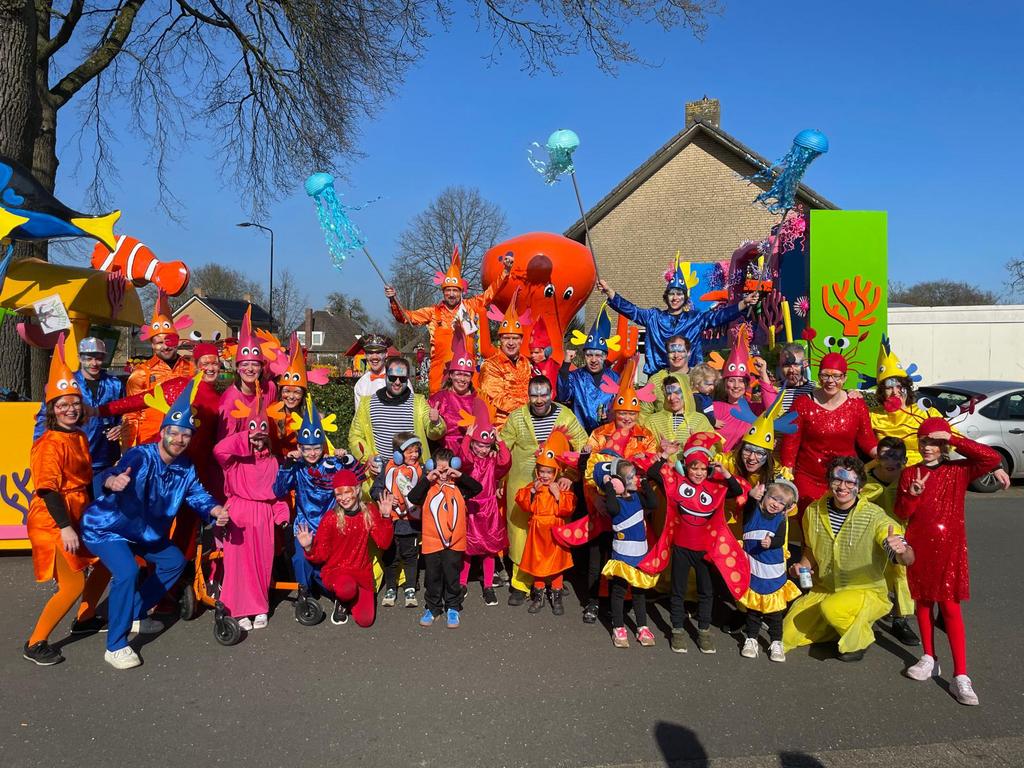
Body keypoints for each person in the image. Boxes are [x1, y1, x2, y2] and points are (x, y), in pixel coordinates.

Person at [81, 375, 229, 669]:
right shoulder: (141, 455)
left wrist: (214, 509)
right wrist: (114, 479)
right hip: (108, 527)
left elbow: (197, 494)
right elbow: (118, 471)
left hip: (144, 532)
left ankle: (135, 612)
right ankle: (116, 645)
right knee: (126, 573)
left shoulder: (186, 466)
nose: (179, 439)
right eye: (173, 432)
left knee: (174, 560)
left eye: (185, 434)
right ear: (163, 432)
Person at [896, 417, 1005, 706]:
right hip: (918, 545)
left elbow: (991, 457)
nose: (928, 446)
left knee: (950, 606)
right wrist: (912, 495)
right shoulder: (910, 473)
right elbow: (902, 511)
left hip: (950, 548)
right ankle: (929, 657)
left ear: (943, 444)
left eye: (934, 441)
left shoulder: (958, 469)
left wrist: (954, 439)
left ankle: (961, 676)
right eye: (924, 440)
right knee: (922, 602)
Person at [23, 336, 111, 666]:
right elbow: (47, 489)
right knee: (72, 584)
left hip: (77, 512)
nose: (70, 408)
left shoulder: (76, 435)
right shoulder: (49, 442)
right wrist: (65, 528)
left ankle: (85, 620)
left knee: (104, 562)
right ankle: (36, 642)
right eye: (63, 404)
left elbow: (83, 482)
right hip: (52, 518)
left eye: (74, 402)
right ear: (52, 409)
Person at [782, 456, 914, 662]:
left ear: (860, 487)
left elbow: (906, 559)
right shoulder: (813, 511)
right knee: (787, 635)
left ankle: (860, 639)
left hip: (864, 591)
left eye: (850, 482)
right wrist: (801, 566)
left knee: (833, 609)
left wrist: (901, 549)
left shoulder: (875, 516)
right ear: (829, 482)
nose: (842, 487)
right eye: (837, 480)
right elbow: (810, 550)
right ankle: (842, 625)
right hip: (825, 589)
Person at [640, 433, 747, 655]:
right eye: (693, 468)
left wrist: (725, 473)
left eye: (702, 469)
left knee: (706, 593)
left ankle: (704, 630)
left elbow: (736, 491)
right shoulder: (676, 483)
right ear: (686, 468)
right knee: (677, 591)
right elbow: (652, 473)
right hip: (681, 548)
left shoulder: (715, 487)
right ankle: (678, 630)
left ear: (708, 469)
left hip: (705, 552)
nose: (698, 473)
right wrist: (664, 455)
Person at [578, 361, 658, 624]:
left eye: (631, 413)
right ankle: (592, 601)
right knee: (598, 554)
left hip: (632, 511)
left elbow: (648, 468)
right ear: (614, 410)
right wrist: (596, 498)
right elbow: (589, 470)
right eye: (622, 411)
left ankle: (627, 601)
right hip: (605, 506)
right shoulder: (600, 434)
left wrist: (643, 498)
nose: (626, 417)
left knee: (630, 557)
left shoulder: (645, 436)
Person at [500, 376, 588, 605]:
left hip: (555, 487)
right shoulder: (518, 417)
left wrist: (569, 476)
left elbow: (583, 446)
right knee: (520, 533)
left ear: (551, 394)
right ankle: (521, 582)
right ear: (528, 395)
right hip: (522, 483)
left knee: (552, 535)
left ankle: (551, 579)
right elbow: (503, 450)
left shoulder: (566, 417)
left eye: (543, 394)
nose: (539, 400)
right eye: (534, 395)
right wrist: (497, 479)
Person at [597, 255, 759, 374]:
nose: (675, 298)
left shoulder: (695, 319)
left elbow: (719, 317)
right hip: (659, 376)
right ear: (666, 297)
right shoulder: (654, 317)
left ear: (685, 298)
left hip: (689, 377)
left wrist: (744, 303)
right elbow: (631, 310)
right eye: (672, 294)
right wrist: (610, 292)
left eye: (679, 294)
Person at [214, 389, 290, 630]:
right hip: (238, 513)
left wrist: (282, 515)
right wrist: (245, 437)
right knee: (238, 564)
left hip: (263, 517)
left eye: (261, 437)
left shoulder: (273, 462)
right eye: (254, 437)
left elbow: (278, 495)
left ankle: (259, 607)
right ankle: (238, 609)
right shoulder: (236, 460)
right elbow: (219, 450)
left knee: (261, 563)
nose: (258, 442)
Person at [386, 248, 512, 392]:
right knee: (438, 410)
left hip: (466, 374)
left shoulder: (470, 306)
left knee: (468, 411)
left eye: (455, 290)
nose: (451, 294)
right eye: (448, 290)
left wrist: (505, 271)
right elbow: (405, 317)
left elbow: (491, 293)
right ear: (443, 292)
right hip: (440, 375)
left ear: (460, 292)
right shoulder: (433, 312)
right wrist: (393, 300)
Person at [779, 353, 878, 518]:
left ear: (845, 378)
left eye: (836, 376)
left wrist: (884, 456)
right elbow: (790, 444)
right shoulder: (802, 403)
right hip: (808, 478)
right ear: (819, 376)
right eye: (825, 375)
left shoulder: (856, 404)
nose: (830, 381)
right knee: (810, 528)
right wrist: (786, 477)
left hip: (845, 480)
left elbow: (866, 439)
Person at [273, 401, 350, 602]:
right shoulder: (297, 467)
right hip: (304, 525)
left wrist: (344, 459)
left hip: (329, 525)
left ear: (322, 446)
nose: (312, 453)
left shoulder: (331, 465)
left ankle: (327, 588)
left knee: (328, 566)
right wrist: (287, 465)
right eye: (307, 449)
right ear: (299, 447)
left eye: (316, 448)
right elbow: (279, 490)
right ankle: (304, 592)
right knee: (300, 559)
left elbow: (351, 482)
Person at [296, 472, 395, 627]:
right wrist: (308, 547)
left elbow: (384, 543)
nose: (343, 498)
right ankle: (341, 601)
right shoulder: (331, 518)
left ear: (356, 490)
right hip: (338, 572)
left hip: (362, 572)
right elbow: (321, 555)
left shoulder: (369, 511)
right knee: (346, 588)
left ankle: (352, 598)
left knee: (365, 621)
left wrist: (386, 516)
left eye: (347, 492)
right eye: (338, 494)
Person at [33, 337, 123, 498]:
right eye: (89, 358)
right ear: (80, 358)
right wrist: (40, 448)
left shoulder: (115, 384)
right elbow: (44, 417)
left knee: (100, 512)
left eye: (98, 358)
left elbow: (125, 415)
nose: (94, 363)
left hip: (105, 460)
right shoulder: (67, 382)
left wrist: (121, 427)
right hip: (73, 460)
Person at [406, 448, 483, 628]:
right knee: (432, 576)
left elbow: (477, 488)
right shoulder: (427, 488)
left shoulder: (459, 487)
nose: (443, 474)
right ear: (432, 467)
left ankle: (453, 607)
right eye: (439, 469)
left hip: (454, 542)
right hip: (432, 542)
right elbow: (412, 496)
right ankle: (433, 608)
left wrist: (459, 475)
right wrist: (428, 478)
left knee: (452, 576)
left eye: (446, 469)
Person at [595, 459, 659, 648]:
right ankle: (618, 627)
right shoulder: (615, 501)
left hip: (640, 555)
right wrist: (609, 486)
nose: (635, 479)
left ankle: (642, 627)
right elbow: (613, 509)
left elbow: (653, 504)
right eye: (630, 476)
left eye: (635, 475)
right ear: (618, 481)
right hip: (622, 556)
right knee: (619, 592)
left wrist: (645, 481)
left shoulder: (638, 497)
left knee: (639, 593)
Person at [861, 437, 919, 646]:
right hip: (868, 536)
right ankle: (870, 614)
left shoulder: (909, 478)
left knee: (901, 575)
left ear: (904, 459)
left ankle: (900, 618)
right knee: (872, 575)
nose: (890, 460)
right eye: (885, 454)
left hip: (899, 534)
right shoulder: (864, 479)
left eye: (895, 455)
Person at [349, 355, 446, 480]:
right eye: (393, 377)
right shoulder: (366, 404)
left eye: (402, 378)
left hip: (413, 474)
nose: (397, 382)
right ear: (385, 377)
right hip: (380, 475)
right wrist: (367, 457)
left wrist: (436, 422)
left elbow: (434, 434)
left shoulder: (418, 402)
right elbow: (355, 436)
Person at [737, 480, 801, 662]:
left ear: (786, 508)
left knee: (775, 613)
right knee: (754, 610)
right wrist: (751, 496)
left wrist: (770, 543)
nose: (776, 504)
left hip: (773, 572)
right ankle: (751, 639)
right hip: (755, 570)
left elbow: (780, 539)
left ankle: (776, 642)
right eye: (773, 498)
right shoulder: (752, 513)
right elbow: (749, 506)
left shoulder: (781, 519)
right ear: (764, 497)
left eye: (781, 503)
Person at [122, 291, 195, 447]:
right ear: (152, 345)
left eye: (168, 340)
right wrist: (129, 449)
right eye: (159, 342)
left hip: (182, 442)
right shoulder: (141, 373)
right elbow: (131, 413)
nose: (165, 346)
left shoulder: (191, 369)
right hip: (150, 442)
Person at [456, 402, 512, 605]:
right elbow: (463, 459)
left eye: (486, 445)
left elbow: (505, 462)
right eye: (478, 444)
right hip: (471, 509)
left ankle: (488, 585)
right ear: (472, 444)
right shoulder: (470, 462)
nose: (482, 449)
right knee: (467, 549)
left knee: (489, 549)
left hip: (489, 511)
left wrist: (500, 441)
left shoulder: (492, 462)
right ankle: (462, 583)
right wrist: (467, 437)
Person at [516, 428, 576, 616]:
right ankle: (539, 595)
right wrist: (532, 492)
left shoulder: (561, 488)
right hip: (537, 533)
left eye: (549, 472)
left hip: (555, 533)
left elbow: (569, 507)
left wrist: (559, 495)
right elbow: (522, 501)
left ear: (556, 472)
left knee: (557, 565)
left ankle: (556, 595)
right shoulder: (534, 487)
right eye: (542, 471)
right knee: (538, 565)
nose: (545, 476)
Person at [370, 433, 424, 608]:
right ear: (398, 454)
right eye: (410, 452)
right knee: (391, 558)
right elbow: (374, 490)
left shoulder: (420, 470)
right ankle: (391, 588)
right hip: (391, 522)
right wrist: (385, 496)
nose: (414, 455)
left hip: (411, 522)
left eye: (416, 451)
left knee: (410, 558)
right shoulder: (387, 468)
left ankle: (409, 587)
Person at [711, 327, 777, 451]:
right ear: (725, 384)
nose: (736, 385)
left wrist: (763, 373)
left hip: (746, 465)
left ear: (746, 385)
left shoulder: (754, 409)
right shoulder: (713, 407)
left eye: (741, 381)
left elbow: (772, 407)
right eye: (731, 380)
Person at [557, 304, 618, 433]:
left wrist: (609, 418)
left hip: (606, 437)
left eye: (598, 355)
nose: (594, 360)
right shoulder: (575, 377)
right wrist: (566, 364)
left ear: (605, 356)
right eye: (589, 355)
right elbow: (563, 396)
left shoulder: (615, 378)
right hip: (581, 437)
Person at [218, 305, 277, 438]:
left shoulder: (270, 388)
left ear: (262, 368)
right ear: (238, 369)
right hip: (240, 456)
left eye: (255, 364)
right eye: (245, 364)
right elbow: (225, 445)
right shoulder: (229, 400)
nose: (250, 369)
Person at [478, 292, 533, 430]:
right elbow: (498, 397)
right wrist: (530, 408)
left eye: (515, 338)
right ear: (500, 340)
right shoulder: (491, 365)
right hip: (502, 427)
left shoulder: (525, 362)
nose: (511, 343)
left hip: (527, 422)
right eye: (506, 338)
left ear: (521, 341)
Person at [429, 326, 488, 452]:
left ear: (471, 377)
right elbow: (429, 432)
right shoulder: (439, 399)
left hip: (471, 453)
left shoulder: (478, 400)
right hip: (443, 454)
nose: (462, 379)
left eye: (466, 375)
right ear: (451, 375)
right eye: (458, 374)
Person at [642, 375, 714, 455]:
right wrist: (658, 449)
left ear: (686, 392)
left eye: (677, 392)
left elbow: (713, 450)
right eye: (668, 393)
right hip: (661, 466)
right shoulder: (653, 421)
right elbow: (643, 448)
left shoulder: (700, 420)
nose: (672, 397)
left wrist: (697, 446)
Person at [642, 335, 696, 416]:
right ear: (667, 354)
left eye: (680, 351)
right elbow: (644, 412)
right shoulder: (655, 380)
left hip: (696, 427)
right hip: (663, 427)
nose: (676, 355)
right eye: (672, 352)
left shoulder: (699, 378)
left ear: (688, 353)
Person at [350, 333, 393, 412]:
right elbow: (359, 417)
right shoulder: (361, 385)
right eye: (370, 353)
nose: (374, 357)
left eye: (379, 352)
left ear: (386, 354)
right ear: (365, 355)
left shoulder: (399, 378)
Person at [775, 343, 815, 414]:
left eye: (796, 364)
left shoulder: (815, 390)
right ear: (780, 366)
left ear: (805, 364)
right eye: (786, 365)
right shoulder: (774, 390)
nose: (791, 370)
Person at [528, 317, 560, 396]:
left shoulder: (552, 366)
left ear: (547, 351)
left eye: (536, 352)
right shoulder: (529, 363)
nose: (533, 356)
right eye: (531, 353)